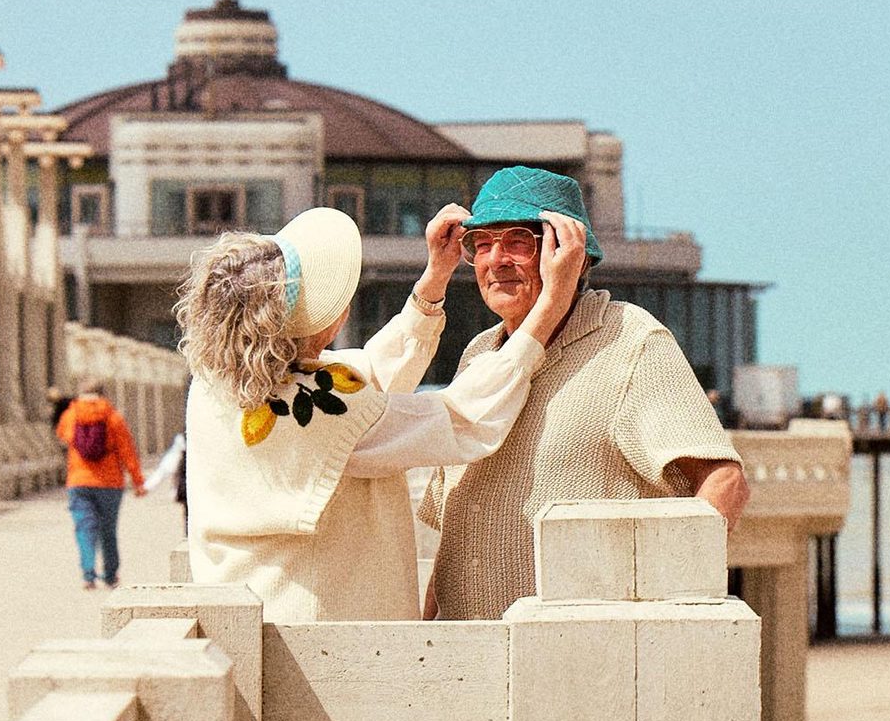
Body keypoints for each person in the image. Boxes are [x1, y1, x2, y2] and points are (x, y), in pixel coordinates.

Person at [176, 204, 584, 622]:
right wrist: (551, 304)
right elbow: (466, 418)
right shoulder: (319, 405)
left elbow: (363, 381)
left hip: (248, 620)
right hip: (313, 642)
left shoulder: (215, 386)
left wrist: (434, 281)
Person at [418, 166, 750, 621]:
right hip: (468, 659)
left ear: (570, 253)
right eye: (482, 244)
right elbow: (455, 525)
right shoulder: (479, 354)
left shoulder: (629, 340)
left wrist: (668, 612)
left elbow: (724, 482)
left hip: (584, 659)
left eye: (518, 242)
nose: (496, 260)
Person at [55, 378, 146, 589]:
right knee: (108, 529)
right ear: (102, 393)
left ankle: (88, 574)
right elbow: (127, 451)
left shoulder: (70, 415)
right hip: (110, 483)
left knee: (84, 528)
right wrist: (138, 481)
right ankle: (110, 574)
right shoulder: (113, 417)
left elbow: (62, 436)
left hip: (78, 481)